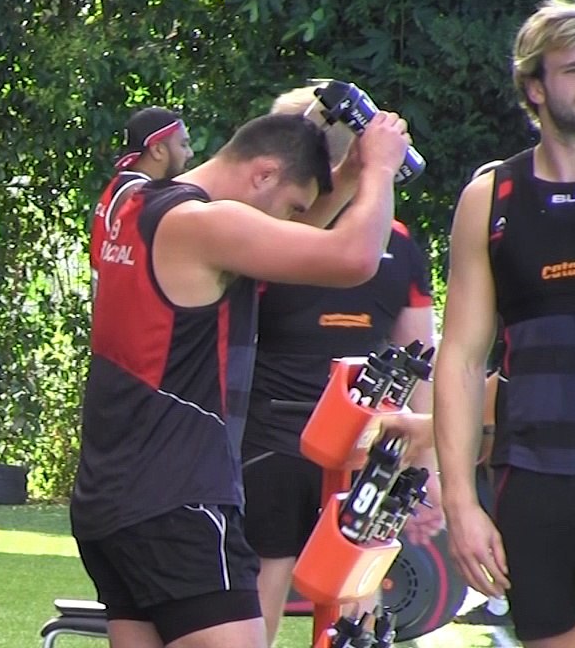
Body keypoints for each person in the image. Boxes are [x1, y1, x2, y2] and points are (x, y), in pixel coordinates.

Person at [72, 109, 411, 648]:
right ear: (262, 174)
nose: (292, 220)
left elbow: (281, 238)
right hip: (180, 500)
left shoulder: (134, 202)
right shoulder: (204, 225)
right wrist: (380, 170)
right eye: (292, 205)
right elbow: (354, 257)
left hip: (111, 500)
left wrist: (344, 176)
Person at [240, 85, 442, 645]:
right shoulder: (267, 234)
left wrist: (428, 469)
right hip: (278, 438)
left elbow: (419, 362)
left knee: (354, 597)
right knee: (270, 589)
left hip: (358, 441)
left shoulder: (394, 243)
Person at [434, 0, 575, 648]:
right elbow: (461, 360)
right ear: (534, 85)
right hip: (534, 484)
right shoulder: (491, 199)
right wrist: (462, 506)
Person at [90, 106, 193, 281]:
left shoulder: (123, 184)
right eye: (183, 144)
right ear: (157, 150)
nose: (190, 153)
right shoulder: (139, 194)